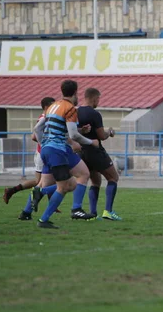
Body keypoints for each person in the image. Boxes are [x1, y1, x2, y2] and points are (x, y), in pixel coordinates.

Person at [32, 80, 99, 229]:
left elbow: (37, 129)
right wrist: (90, 142)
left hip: (48, 150)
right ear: (75, 92)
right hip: (57, 150)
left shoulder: (52, 106)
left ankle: (42, 192)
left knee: (74, 182)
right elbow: (73, 135)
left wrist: (45, 144)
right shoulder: (70, 108)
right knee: (63, 187)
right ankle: (45, 220)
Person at [2, 97, 55, 220]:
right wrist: (46, 142)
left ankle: (15, 195)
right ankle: (22, 205)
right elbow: (33, 136)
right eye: (53, 106)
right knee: (41, 182)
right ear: (47, 107)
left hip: (42, 153)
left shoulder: (46, 117)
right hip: (43, 154)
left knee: (44, 181)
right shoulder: (44, 118)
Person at [77, 87, 122, 220]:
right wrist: (110, 132)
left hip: (82, 151)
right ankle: (108, 211)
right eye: (98, 99)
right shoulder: (94, 114)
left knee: (95, 181)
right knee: (113, 178)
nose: (99, 101)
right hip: (95, 151)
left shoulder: (76, 112)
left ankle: (93, 213)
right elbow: (101, 136)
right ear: (94, 98)